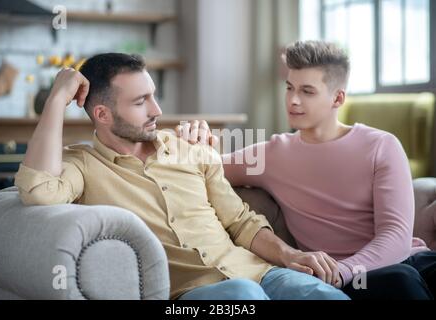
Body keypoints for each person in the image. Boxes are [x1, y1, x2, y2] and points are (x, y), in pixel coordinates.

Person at [14, 53, 349, 300]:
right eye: (141, 101)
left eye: (154, 96)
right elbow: (38, 191)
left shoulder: (191, 149)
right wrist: (57, 98)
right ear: (102, 114)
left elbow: (240, 221)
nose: (157, 110)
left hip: (260, 273)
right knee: (244, 298)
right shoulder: (83, 165)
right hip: (188, 298)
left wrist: (290, 256)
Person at [177, 40, 436, 299]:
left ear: (338, 98)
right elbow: (205, 167)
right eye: (290, 88)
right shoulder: (272, 154)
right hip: (343, 284)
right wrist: (194, 139)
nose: (293, 100)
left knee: (403, 277)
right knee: (396, 282)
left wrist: (343, 271)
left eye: (307, 91)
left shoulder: (381, 146)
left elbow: (396, 237)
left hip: (401, 264)